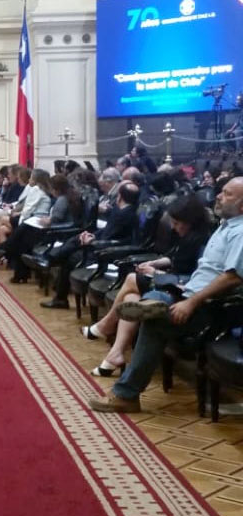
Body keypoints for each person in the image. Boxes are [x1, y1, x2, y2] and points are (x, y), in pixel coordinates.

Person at [89, 177, 243, 414]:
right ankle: (153, 304)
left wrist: (191, 302)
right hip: (190, 293)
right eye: (221, 191)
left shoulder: (241, 232)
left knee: (154, 319)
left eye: (227, 193)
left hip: (209, 307)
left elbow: (232, 277)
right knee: (156, 306)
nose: (219, 196)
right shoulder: (226, 226)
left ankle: (126, 393)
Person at [81, 194, 211, 377]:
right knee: (130, 298)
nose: (173, 227)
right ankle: (115, 356)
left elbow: (193, 277)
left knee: (132, 279)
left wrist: (156, 274)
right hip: (170, 281)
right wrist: (155, 265)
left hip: (181, 291)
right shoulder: (186, 235)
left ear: (190, 220)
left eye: (176, 222)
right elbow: (174, 258)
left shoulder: (202, 240)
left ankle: (106, 325)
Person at [40, 181, 140, 309]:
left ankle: (52, 263)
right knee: (76, 242)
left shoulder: (126, 214)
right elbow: (107, 231)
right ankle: (53, 262)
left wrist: (93, 241)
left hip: (105, 253)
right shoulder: (121, 210)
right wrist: (93, 236)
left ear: (119, 196)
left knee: (70, 258)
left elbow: (116, 239)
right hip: (100, 245)